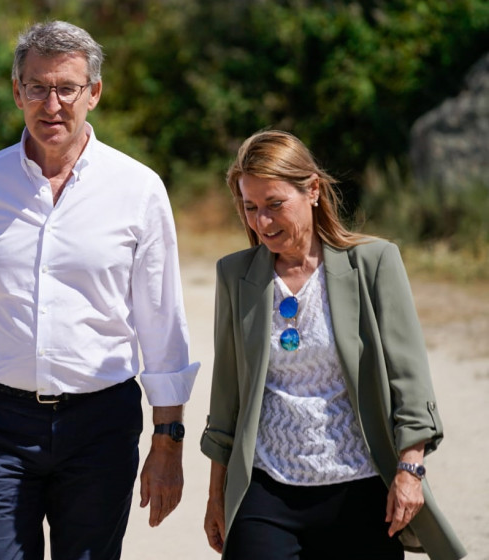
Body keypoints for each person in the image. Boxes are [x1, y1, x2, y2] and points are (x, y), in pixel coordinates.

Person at [0, 21, 199, 559]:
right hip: (0, 425)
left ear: (94, 93)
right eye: (38, 87)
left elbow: (163, 326)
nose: (53, 104)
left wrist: (168, 443)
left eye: (67, 88)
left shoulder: (138, 189)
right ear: (17, 91)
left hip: (102, 424)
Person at [200, 129, 467, 560]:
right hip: (266, 490)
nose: (261, 223)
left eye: (274, 205)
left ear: (314, 191)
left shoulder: (374, 263)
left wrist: (410, 469)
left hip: (361, 490)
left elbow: (409, 378)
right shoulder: (236, 276)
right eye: (250, 208)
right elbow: (227, 395)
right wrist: (217, 495)